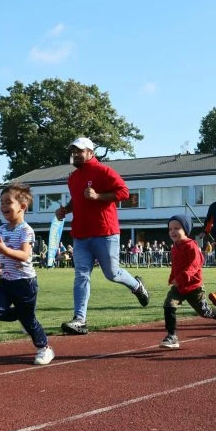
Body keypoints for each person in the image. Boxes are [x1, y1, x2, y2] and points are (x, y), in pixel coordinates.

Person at [55, 137, 150, 335]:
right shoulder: (73, 177)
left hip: (104, 232)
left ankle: (137, 285)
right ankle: (79, 320)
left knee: (112, 274)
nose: (75, 154)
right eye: (73, 151)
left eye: (79, 151)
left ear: (90, 152)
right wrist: (65, 210)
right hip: (80, 234)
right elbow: (77, 199)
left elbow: (124, 192)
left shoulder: (103, 171)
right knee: (81, 276)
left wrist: (98, 196)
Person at [0, 184, 54, 365]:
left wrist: (4, 249)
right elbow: (1, 253)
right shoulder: (1, 229)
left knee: (29, 320)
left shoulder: (26, 230)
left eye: (8, 202)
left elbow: (24, 256)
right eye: (2, 202)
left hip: (25, 283)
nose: (3, 206)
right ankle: (21, 316)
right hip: (6, 282)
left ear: (22, 207)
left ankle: (44, 348)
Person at [159, 214, 216, 349]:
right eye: (170, 229)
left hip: (193, 287)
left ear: (186, 230)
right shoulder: (175, 247)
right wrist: (172, 277)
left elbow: (195, 265)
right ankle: (171, 336)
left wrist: (181, 278)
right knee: (169, 304)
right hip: (179, 287)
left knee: (205, 312)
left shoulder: (191, 246)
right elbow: (175, 265)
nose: (172, 231)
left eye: (177, 228)